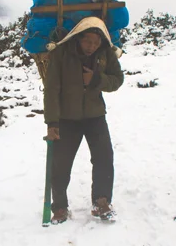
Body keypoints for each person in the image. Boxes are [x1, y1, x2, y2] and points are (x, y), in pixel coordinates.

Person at [43, 17, 124, 224]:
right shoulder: (61, 54)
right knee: (60, 163)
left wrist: (97, 79)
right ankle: (60, 207)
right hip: (66, 118)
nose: (92, 47)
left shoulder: (105, 53)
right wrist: (52, 123)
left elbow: (117, 79)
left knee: (104, 157)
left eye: (96, 43)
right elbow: (52, 89)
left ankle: (101, 201)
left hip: (95, 116)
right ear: (78, 38)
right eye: (88, 41)